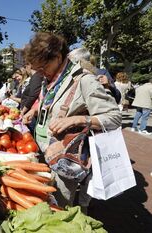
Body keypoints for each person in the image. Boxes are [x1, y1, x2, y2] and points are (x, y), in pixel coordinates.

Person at [22, 32, 121, 209]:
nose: (40, 72)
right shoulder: (51, 79)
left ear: (58, 57)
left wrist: (76, 119)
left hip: (65, 159)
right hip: (44, 152)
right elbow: (54, 102)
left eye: (43, 66)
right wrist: (35, 110)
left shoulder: (85, 80)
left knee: (59, 207)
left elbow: (114, 117)